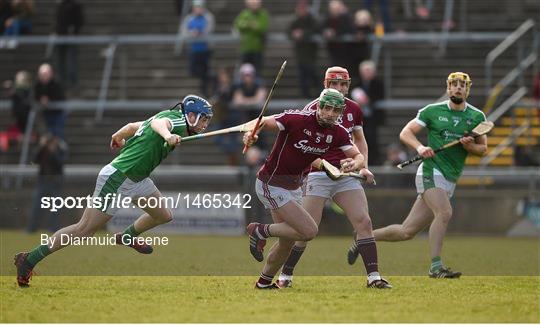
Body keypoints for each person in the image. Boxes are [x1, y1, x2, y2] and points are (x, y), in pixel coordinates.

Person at [14, 94, 213, 287]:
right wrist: (168, 136)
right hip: (118, 177)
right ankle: (29, 259)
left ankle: (127, 236)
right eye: (203, 119)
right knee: (84, 229)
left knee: (163, 215)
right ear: (191, 115)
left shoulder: (167, 116)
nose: (205, 125)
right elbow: (158, 126)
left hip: (138, 179)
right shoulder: (174, 121)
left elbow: (133, 126)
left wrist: (119, 135)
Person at [275, 66, 391, 289]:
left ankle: (374, 277)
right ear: (325, 84)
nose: (339, 88)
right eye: (334, 83)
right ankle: (285, 275)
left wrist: (362, 166)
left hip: (346, 175)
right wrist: (324, 165)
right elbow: (300, 148)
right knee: (305, 230)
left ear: (348, 85)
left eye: (343, 84)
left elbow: (360, 141)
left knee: (364, 222)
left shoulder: (354, 109)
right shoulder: (312, 109)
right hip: (318, 174)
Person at [363, 72, 488, 278]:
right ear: (448, 88)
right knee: (444, 212)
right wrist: (420, 148)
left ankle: (364, 238)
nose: (458, 88)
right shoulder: (432, 111)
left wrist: (470, 145)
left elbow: (482, 149)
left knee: (406, 231)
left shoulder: (477, 116)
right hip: (431, 170)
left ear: (468, 90)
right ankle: (436, 267)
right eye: (454, 84)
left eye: (462, 85)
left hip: (451, 176)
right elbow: (406, 133)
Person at [243, 88, 365, 289]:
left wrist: (355, 163)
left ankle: (264, 283)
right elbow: (263, 122)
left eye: (336, 111)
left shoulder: (338, 132)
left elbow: (357, 155)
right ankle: (259, 231)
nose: (331, 114)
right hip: (271, 183)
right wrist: (251, 135)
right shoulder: (296, 118)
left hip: (294, 186)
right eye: (327, 108)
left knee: (287, 241)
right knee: (308, 231)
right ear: (319, 106)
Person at [27, 134, 67, 233]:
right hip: (43, 181)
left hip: (55, 182)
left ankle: (53, 228)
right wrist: (41, 147)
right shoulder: (42, 150)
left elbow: (61, 163)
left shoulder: (60, 149)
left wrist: (53, 152)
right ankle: (32, 228)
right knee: (37, 206)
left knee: (55, 207)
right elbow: (33, 161)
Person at [351, 60, 385, 164]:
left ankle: (374, 161)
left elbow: (380, 95)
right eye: (365, 71)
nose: (366, 73)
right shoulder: (357, 83)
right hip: (361, 118)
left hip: (373, 117)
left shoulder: (378, 83)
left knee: (372, 138)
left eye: (369, 71)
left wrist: (369, 100)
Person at [181, 0, 214, 96]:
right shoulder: (189, 18)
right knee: (193, 70)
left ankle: (204, 92)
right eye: (196, 7)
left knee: (205, 72)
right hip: (193, 49)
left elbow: (210, 29)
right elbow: (184, 31)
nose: (198, 9)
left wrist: (200, 33)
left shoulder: (208, 17)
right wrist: (192, 33)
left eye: (200, 7)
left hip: (205, 49)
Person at [288, 0, 320, 98]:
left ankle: (319, 94)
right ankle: (305, 96)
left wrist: (302, 34)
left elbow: (316, 30)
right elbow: (289, 32)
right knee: (302, 77)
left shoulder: (312, 20)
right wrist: (294, 34)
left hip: (311, 53)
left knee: (313, 74)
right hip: (300, 53)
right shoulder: (295, 21)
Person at [54, 0, 84, 91]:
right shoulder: (61, 5)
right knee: (61, 59)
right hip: (60, 36)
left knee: (71, 59)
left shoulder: (75, 5)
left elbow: (80, 20)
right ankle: (62, 80)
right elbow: (57, 21)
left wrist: (74, 30)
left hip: (70, 36)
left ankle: (72, 80)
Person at [233, 0, 269, 73]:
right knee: (244, 71)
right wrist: (249, 25)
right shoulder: (244, 13)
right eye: (252, 4)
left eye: (256, 4)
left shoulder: (263, 14)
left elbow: (263, 28)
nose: (254, 5)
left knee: (257, 71)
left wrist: (253, 27)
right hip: (245, 47)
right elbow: (238, 24)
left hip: (258, 48)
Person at [34, 63, 66, 139]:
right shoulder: (37, 86)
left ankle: (61, 149)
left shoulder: (56, 84)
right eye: (42, 74)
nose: (43, 76)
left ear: (51, 73)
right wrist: (41, 100)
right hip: (44, 114)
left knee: (57, 135)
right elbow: (35, 97)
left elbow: (61, 97)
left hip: (57, 114)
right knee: (46, 136)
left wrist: (49, 100)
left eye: (45, 74)